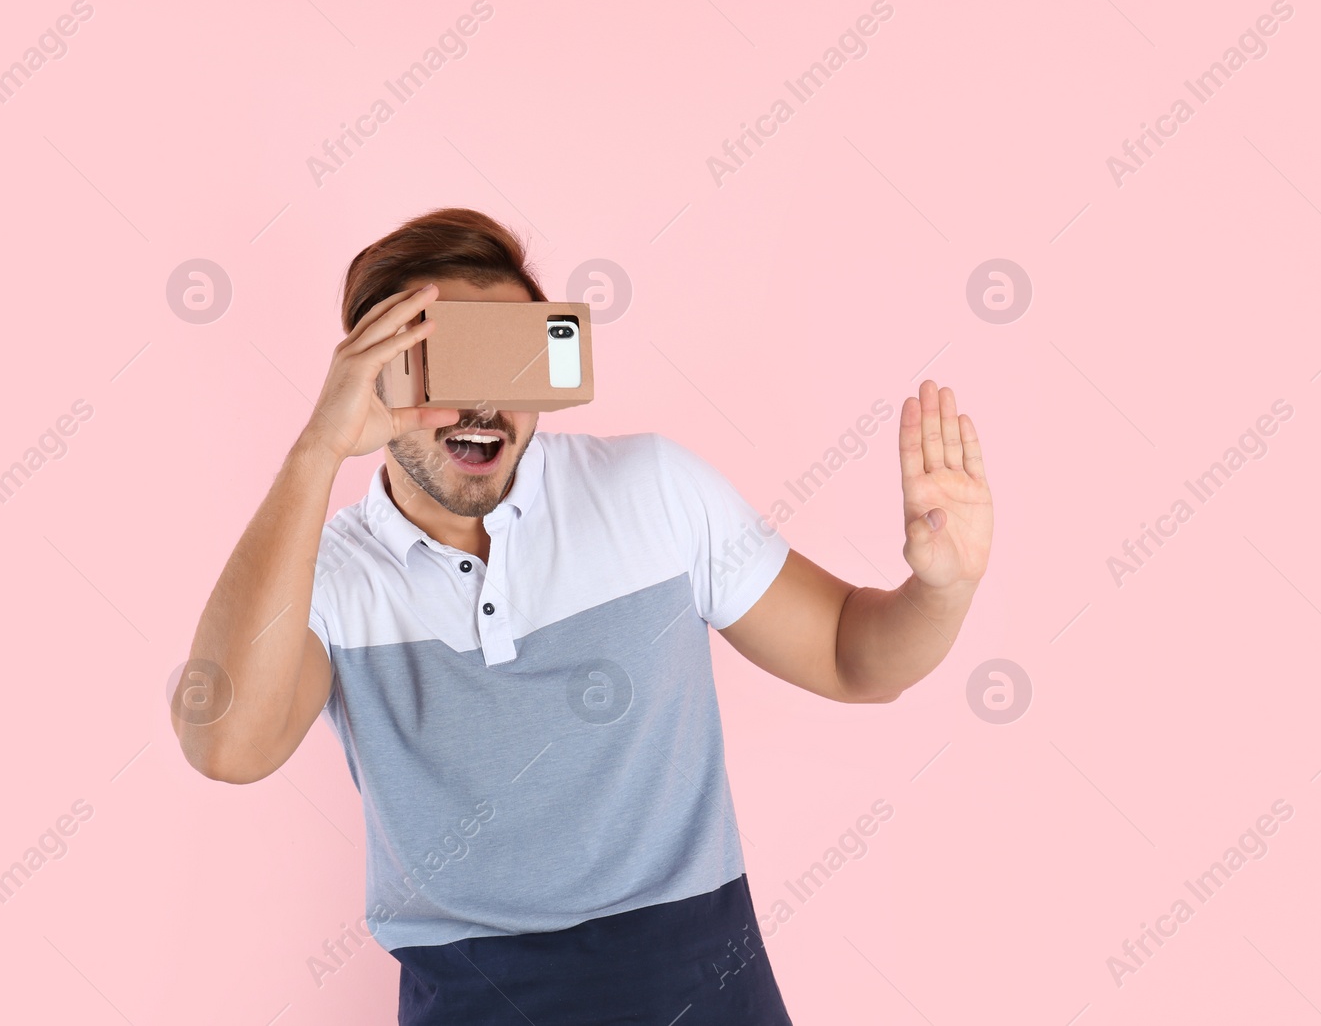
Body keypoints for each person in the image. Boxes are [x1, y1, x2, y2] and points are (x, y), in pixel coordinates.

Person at [171, 207, 993, 1024]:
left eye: (513, 358)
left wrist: (942, 588)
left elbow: (854, 654)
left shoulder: (654, 491)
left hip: (707, 988)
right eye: (446, 359)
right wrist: (316, 448)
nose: (484, 403)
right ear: (373, 370)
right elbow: (226, 744)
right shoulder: (327, 577)